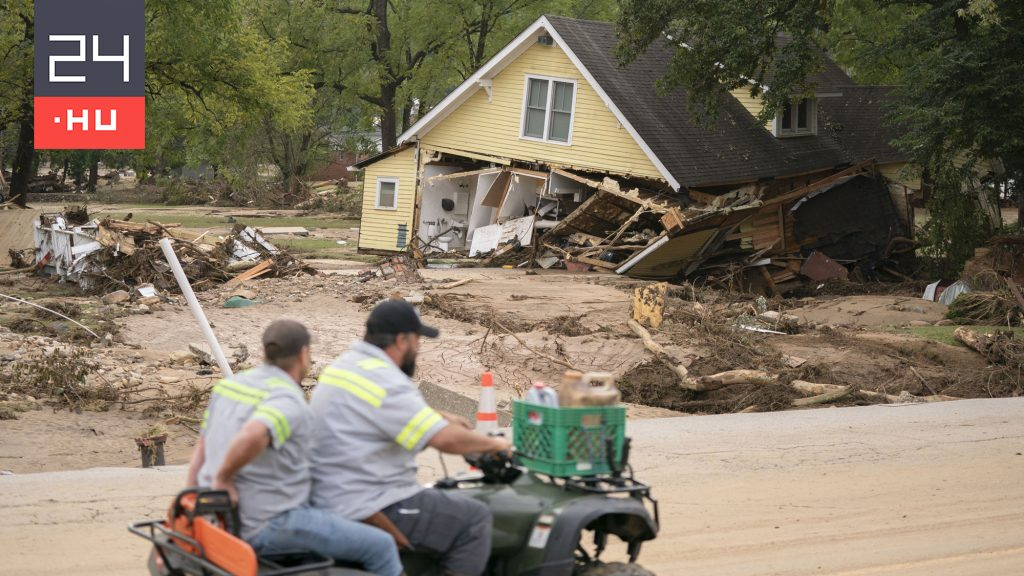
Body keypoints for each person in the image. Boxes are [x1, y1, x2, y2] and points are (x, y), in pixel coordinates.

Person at [310, 300, 511, 576]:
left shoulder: (347, 365)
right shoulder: (387, 380)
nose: (418, 349)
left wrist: (437, 414)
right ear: (402, 340)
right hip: (370, 500)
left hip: (331, 492)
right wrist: (497, 444)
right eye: (417, 340)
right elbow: (445, 440)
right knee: (474, 519)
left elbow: (379, 408)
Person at [185, 319, 402, 576]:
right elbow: (253, 434)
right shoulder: (288, 400)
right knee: (382, 546)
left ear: (265, 352)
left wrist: (190, 500)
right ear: (304, 354)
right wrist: (224, 478)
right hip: (271, 523)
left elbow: (202, 449)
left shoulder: (228, 386)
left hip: (221, 521)